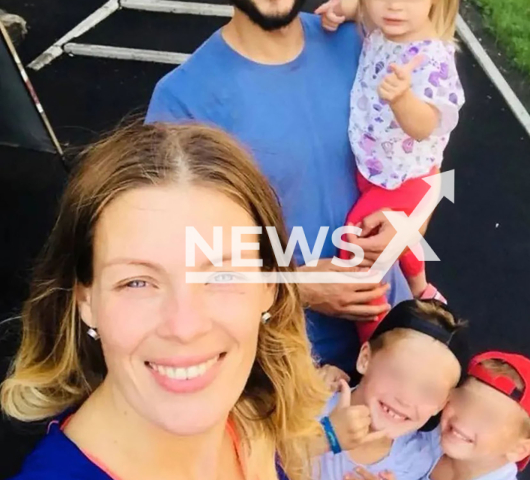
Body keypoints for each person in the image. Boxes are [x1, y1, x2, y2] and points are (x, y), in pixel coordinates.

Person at [0, 122, 329, 480]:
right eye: (137, 282)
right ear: (86, 300)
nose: (185, 327)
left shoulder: (254, 415)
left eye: (222, 276)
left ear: (270, 288)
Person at [144, 0, 414, 373]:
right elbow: (176, 260)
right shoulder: (184, 100)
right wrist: (296, 288)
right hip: (286, 360)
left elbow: (421, 164)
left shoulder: (360, 43)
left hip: (392, 333)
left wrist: (406, 222)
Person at [315, 0, 465, 342]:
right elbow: (363, 11)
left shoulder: (432, 59)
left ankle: (377, 338)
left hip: (406, 177)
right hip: (377, 168)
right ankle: (422, 290)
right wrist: (345, 9)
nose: (394, 6)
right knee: (401, 236)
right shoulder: (384, 30)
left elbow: (425, 125)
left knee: (357, 246)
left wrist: (402, 100)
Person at [312, 299, 468, 480]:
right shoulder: (307, 407)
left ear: (441, 405)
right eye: (397, 374)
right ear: (365, 360)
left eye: (428, 391)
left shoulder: (419, 459)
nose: (406, 399)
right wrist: (326, 438)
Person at [346, 351, 530, 480]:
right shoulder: (435, 434)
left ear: (518, 449)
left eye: (487, 417)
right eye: (464, 400)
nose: (464, 418)